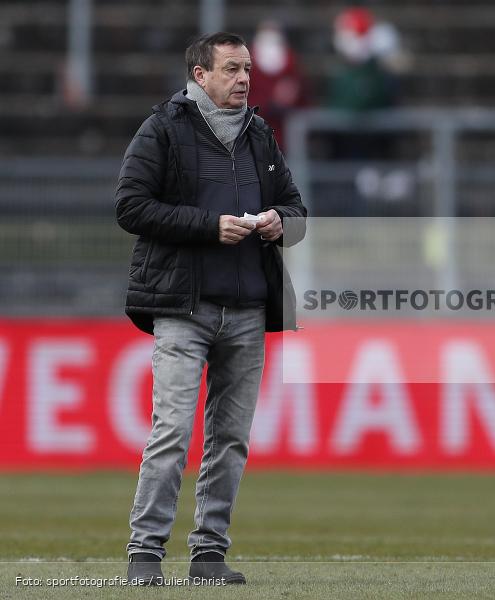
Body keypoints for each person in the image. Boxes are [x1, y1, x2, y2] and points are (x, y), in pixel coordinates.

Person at [115, 31, 307, 586]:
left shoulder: (259, 134)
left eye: (246, 68)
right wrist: (207, 226)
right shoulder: (163, 128)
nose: (244, 79)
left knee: (231, 441)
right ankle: (145, 555)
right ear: (200, 75)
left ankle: (208, 555)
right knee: (172, 432)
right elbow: (130, 205)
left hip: (248, 307)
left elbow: (296, 211)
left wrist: (279, 222)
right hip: (184, 306)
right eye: (231, 69)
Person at [249, 20, 311, 147]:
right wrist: (270, 102)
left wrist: (293, 94)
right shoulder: (248, 63)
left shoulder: (291, 63)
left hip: (286, 138)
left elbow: (304, 98)